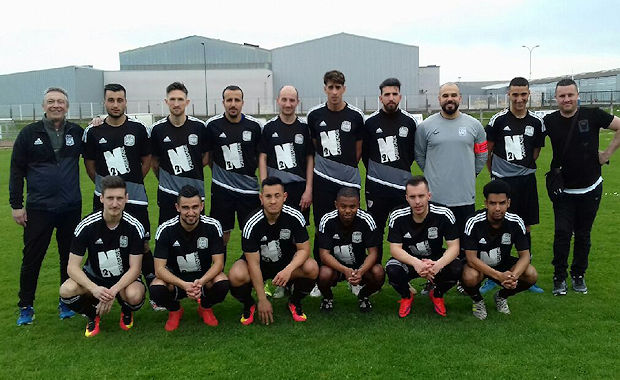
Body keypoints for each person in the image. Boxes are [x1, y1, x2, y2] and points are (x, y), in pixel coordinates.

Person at [9, 87, 83, 325]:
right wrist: (16, 205)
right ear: (43, 106)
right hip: (39, 208)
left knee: (68, 258)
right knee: (32, 258)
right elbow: (16, 171)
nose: (56, 105)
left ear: (67, 106)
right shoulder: (29, 134)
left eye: (60, 102)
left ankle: (66, 303)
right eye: (51, 101)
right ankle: (26, 307)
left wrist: (98, 122)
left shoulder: (76, 132)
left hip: (70, 207)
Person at [544, 78, 620, 295]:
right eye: (562, 96)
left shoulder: (593, 114)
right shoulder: (549, 121)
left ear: (578, 95)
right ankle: (559, 277)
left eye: (570, 95)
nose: (566, 99)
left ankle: (578, 275)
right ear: (556, 98)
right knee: (562, 234)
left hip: (591, 188)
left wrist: (606, 154)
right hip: (564, 191)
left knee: (583, 235)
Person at [82, 83, 156, 298]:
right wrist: (106, 188)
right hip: (104, 198)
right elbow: (90, 164)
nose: (115, 104)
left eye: (119, 100)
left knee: (142, 242)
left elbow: (147, 160)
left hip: (135, 198)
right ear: (104, 102)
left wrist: (129, 186)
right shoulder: (93, 130)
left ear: (125, 102)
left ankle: (152, 286)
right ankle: (101, 285)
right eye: (111, 100)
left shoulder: (138, 129)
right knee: (104, 240)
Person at [59, 176, 146, 337]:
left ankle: (126, 310)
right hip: (95, 278)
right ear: (101, 198)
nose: (115, 204)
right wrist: (95, 289)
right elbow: (72, 267)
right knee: (66, 290)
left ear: (126, 198)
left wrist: (113, 291)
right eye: (110, 198)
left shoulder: (135, 226)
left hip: (124, 281)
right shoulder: (86, 225)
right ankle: (93, 315)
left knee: (135, 295)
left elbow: (135, 268)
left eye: (119, 198)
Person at [481, 77, 545, 294]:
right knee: (498, 225)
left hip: (526, 182)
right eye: (515, 94)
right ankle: (494, 275)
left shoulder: (536, 122)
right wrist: (497, 175)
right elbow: (487, 152)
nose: (519, 99)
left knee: (524, 227)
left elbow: (535, 152)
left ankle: (526, 275)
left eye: (523, 94)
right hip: (502, 182)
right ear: (508, 94)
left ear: (529, 95)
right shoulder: (498, 121)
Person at [228, 177, 318, 325]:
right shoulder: (251, 223)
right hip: (260, 266)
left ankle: (294, 302)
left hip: (286, 264)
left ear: (285, 197)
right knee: (236, 275)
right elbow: (253, 264)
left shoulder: (295, 216)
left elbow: (304, 250)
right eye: (268, 196)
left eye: (277, 196)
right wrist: (262, 300)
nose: (273, 201)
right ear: (261, 198)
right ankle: (249, 304)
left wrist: (288, 270)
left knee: (312, 267)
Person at [306, 70, 365, 296]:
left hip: (348, 181)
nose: (334, 92)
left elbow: (357, 151)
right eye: (330, 87)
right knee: (323, 228)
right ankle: (321, 277)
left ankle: (354, 277)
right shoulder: (314, 116)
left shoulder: (356, 116)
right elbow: (314, 147)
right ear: (324, 88)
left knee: (352, 228)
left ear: (344, 89)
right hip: (323, 182)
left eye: (338, 87)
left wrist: (344, 171)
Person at [149, 185, 228, 331]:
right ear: (177, 207)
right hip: (176, 280)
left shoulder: (213, 226)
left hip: (202, 278)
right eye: (185, 207)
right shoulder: (165, 229)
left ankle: (205, 307)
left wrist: (201, 282)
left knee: (222, 283)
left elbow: (218, 264)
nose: (190, 212)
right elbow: (159, 269)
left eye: (195, 207)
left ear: (202, 206)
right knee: (156, 288)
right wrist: (184, 285)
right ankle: (175, 310)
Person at [415, 82, 487, 234]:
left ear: (460, 98)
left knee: (464, 246)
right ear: (439, 99)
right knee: (434, 246)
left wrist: (470, 173)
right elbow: (420, 156)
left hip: (464, 197)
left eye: (453, 95)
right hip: (435, 197)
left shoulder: (475, 125)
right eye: (445, 95)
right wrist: (433, 173)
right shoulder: (425, 127)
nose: (450, 99)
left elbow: (482, 154)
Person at [460, 180, 538, 320]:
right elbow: (471, 258)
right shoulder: (473, 222)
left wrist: (512, 277)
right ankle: (478, 300)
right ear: (486, 203)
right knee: (469, 276)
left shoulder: (516, 221)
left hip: (503, 262)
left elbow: (525, 256)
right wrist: (499, 276)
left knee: (531, 274)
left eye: (502, 203)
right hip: (479, 265)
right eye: (493, 203)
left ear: (508, 203)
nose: (497, 208)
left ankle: (501, 296)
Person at [385, 176, 461, 317]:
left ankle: (437, 294)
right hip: (409, 260)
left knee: (456, 268)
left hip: (435, 259)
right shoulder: (397, 215)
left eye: (421, 196)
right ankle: (406, 296)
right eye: (413, 197)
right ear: (407, 198)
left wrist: (438, 265)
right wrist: (416, 263)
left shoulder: (444, 213)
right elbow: (395, 249)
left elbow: (454, 247)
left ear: (429, 196)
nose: (417, 201)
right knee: (392, 270)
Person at [362, 77, 417, 262]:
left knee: (404, 229)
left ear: (400, 97)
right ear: (380, 98)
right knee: (375, 229)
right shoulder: (369, 123)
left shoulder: (409, 122)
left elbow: (411, 154)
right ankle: (375, 269)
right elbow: (365, 155)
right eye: (387, 94)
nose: (391, 98)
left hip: (402, 188)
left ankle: (404, 268)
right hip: (376, 188)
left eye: (394, 94)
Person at [205, 85, 262, 249]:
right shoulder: (212, 125)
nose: (233, 104)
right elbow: (209, 157)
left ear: (243, 103)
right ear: (223, 102)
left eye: (237, 100)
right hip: (222, 190)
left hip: (249, 190)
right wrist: (223, 175)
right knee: (221, 234)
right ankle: (219, 273)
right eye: (229, 100)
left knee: (251, 233)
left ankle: (251, 272)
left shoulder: (255, 126)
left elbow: (260, 157)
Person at [316, 187, 384, 312]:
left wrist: (361, 271)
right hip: (336, 267)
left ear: (358, 205)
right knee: (323, 273)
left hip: (359, 265)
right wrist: (344, 270)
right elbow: (324, 255)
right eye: (343, 206)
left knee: (378, 272)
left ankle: (363, 296)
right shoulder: (327, 220)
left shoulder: (367, 219)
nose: (348, 211)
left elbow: (373, 253)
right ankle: (327, 297)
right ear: (336, 205)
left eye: (352, 206)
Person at [150, 82, 209, 224]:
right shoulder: (157, 130)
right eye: (172, 99)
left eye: (180, 99)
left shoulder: (199, 127)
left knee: (198, 236)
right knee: (167, 234)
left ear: (187, 102)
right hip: (167, 193)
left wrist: (191, 169)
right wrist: (168, 179)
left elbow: (206, 157)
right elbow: (154, 162)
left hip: (195, 195)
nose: (176, 104)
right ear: (166, 101)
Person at [259, 85, 314, 223]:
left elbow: (310, 159)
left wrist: (308, 190)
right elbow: (262, 158)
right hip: (275, 190)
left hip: (299, 189)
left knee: (299, 231)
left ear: (297, 102)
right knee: (274, 229)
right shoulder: (269, 128)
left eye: (292, 100)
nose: (288, 104)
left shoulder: (304, 128)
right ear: (278, 100)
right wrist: (264, 187)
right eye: (284, 99)